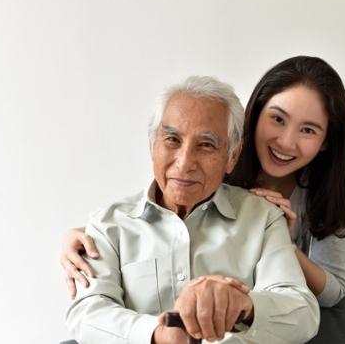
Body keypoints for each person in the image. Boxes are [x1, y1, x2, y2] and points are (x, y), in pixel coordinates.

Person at [61, 56, 345, 308]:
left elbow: (333, 292)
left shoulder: (329, 193)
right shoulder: (212, 165)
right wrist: (83, 235)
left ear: (327, 141)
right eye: (277, 119)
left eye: (308, 130)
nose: (287, 142)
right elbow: (155, 218)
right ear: (256, 113)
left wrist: (282, 244)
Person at [66, 76, 320, 344]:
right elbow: (86, 314)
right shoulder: (108, 225)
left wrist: (244, 305)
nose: (185, 163)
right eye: (172, 139)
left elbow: (303, 314)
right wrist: (157, 334)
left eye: (206, 145)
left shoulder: (264, 218)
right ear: (153, 146)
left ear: (232, 156)